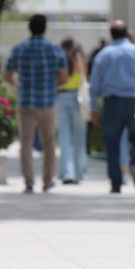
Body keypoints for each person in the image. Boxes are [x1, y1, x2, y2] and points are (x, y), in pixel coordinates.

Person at [4, 14, 68, 193]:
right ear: (45, 28)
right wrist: (51, 85)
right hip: (47, 102)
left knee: (26, 142)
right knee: (48, 143)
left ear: (29, 28)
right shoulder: (54, 49)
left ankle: (29, 181)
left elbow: (7, 75)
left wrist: (18, 85)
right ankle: (48, 181)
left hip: (25, 101)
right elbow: (64, 78)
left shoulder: (19, 48)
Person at [90, 20, 135, 193]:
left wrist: (93, 108)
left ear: (111, 34)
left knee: (112, 143)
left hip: (111, 102)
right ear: (126, 32)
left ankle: (115, 182)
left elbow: (94, 84)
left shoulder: (103, 55)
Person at [57, 37, 89, 184]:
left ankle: (67, 173)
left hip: (62, 98)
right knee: (80, 139)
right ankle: (80, 173)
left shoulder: (61, 59)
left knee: (64, 138)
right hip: (79, 99)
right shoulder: (81, 59)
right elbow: (86, 80)